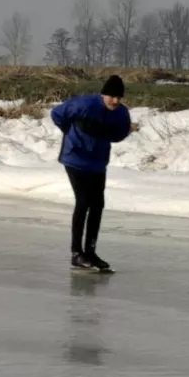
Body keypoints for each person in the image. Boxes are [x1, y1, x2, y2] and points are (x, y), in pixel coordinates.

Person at [50, 75, 132, 272]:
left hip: (97, 162)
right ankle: (76, 254)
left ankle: (90, 252)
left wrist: (108, 134)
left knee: (98, 205)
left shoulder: (121, 113)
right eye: (112, 96)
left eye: (119, 97)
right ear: (103, 94)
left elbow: (121, 133)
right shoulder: (84, 104)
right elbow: (57, 114)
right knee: (83, 201)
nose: (115, 101)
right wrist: (71, 133)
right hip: (75, 158)